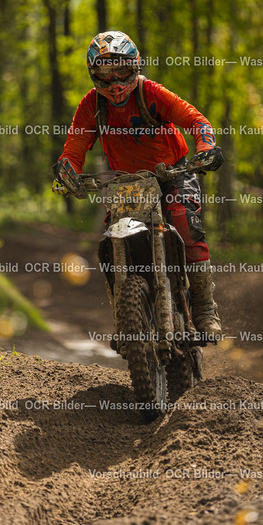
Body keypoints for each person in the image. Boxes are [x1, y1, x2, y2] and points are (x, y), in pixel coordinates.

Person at [53, 30, 223, 343]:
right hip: (127, 183)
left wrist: (206, 148)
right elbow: (73, 149)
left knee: (185, 224)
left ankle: (204, 309)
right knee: (111, 240)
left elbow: (195, 120)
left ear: (136, 67)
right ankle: (124, 319)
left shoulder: (151, 93)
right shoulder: (92, 105)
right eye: (106, 74)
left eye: (122, 71)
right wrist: (67, 173)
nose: (115, 82)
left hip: (172, 173)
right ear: (93, 74)